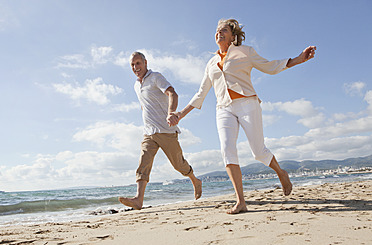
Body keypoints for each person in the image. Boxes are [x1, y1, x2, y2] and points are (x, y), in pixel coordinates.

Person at [171, 18, 316, 214]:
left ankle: (281, 173)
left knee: (258, 151)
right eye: (217, 31)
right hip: (223, 109)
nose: (219, 33)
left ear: (232, 36)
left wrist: (299, 59)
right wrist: (180, 114)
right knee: (227, 150)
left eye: (223, 30)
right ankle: (241, 201)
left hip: (247, 103)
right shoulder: (211, 63)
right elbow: (201, 93)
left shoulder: (245, 52)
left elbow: (270, 66)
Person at [118, 51, 202, 210]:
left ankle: (195, 180)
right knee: (144, 163)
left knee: (179, 165)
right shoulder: (137, 85)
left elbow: (172, 93)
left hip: (166, 130)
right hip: (149, 132)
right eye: (132, 64)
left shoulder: (156, 77)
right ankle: (138, 199)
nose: (136, 67)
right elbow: (145, 105)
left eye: (138, 63)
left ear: (145, 63)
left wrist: (171, 113)